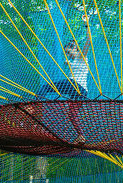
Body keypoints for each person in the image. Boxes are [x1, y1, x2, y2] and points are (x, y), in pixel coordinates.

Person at [39, 17, 92, 145]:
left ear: (76, 49)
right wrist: (68, 62)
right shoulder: (73, 60)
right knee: (72, 115)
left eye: (71, 47)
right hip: (82, 93)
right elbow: (71, 61)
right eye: (67, 49)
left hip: (75, 86)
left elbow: (89, 41)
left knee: (46, 87)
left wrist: (86, 24)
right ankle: (81, 136)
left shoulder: (82, 56)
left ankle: (35, 107)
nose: (68, 50)